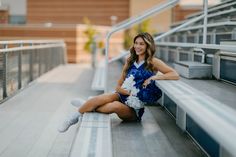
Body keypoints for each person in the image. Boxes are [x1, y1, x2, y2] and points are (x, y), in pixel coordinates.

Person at [58, 32, 179, 133]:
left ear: (148, 46)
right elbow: (118, 85)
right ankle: (73, 118)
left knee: (114, 106)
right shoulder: (130, 60)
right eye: (136, 43)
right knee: (106, 96)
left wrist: (154, 78)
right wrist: (126, 92)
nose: (137, 46)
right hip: (123, 95)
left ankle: (87, 106)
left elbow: (174, 74)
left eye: (141, 44)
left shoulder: (153, 62)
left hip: (134, 109)